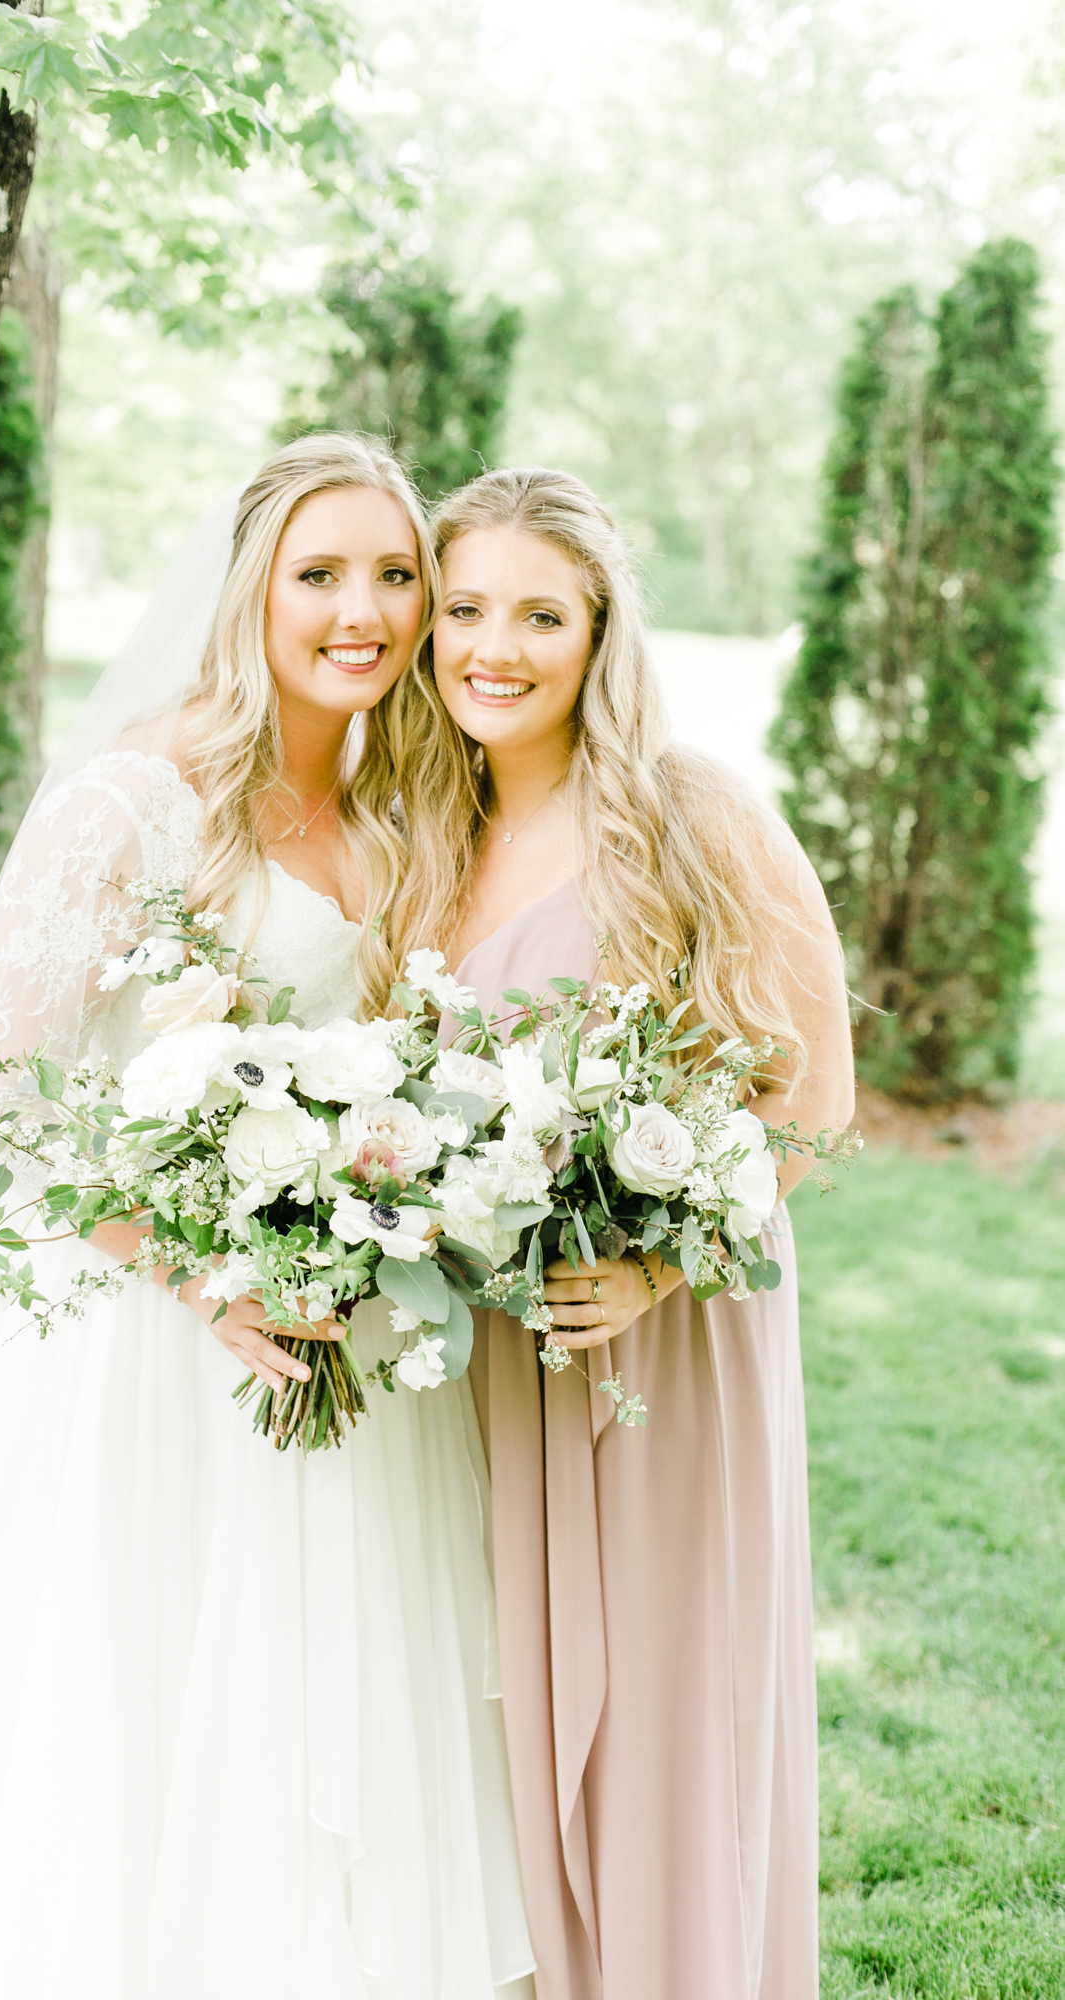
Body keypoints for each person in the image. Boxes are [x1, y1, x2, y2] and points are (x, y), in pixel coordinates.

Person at [0, 436, 533, 2000]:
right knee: (138, 1705)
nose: (364, 612)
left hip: (342, 1329)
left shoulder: (402, 808)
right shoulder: (132, 801)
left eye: (395, 576)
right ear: (248, 588)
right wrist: (199, 1275)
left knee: (332, 1699)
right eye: (319, 574)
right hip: (151, 1349)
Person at [390, 466, 855, 2000]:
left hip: (667, 1348)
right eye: (464, 609)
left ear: (600, 632)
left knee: (663, 1717)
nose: (493, 648)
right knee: (501, 1729)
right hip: (488, 1359)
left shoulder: (689, 809)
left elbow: (813, 1095)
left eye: (540, 615)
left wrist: (653, 1266)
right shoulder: (426, 832)